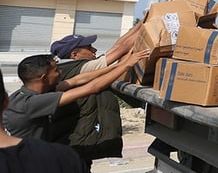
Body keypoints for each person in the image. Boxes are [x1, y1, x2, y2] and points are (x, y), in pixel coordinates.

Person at [3, 49, 149, 144]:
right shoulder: (33, 102)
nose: (60, 72)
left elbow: (78, 80)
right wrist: (126, 66)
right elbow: (92, 87)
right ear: (44, 78)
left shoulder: (31, 92)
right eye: (55, 70)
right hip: (27, 160)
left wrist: (118, 65)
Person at [49, 23, 143, 163]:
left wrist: (143, 22)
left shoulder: (68, 67)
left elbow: (118, 45)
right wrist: (153, 23)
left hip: (76, 139)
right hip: (80, 140)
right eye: (89, 48)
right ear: (74, 55)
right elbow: (121, 48)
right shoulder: (83, 67)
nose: (95, 49)